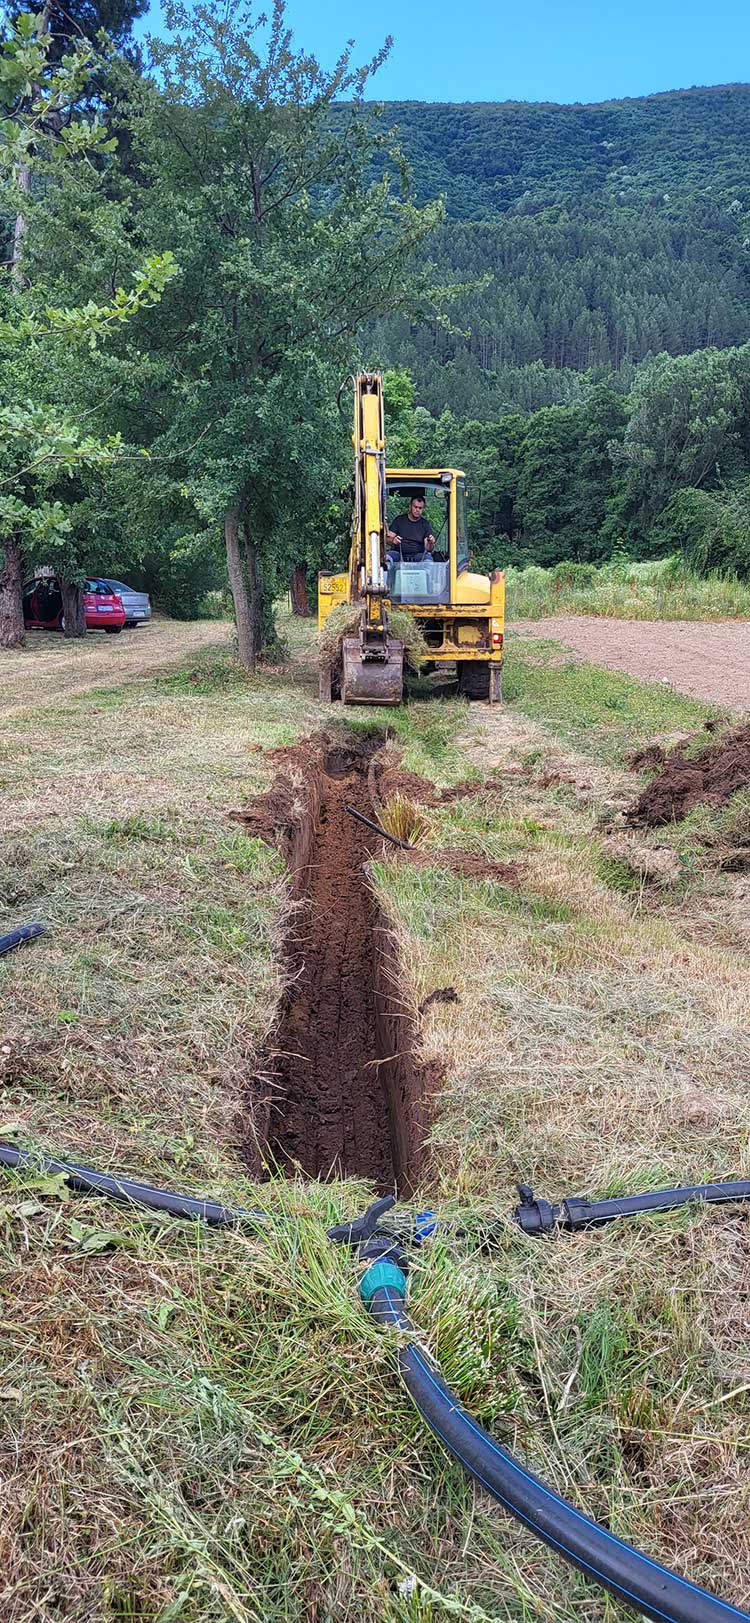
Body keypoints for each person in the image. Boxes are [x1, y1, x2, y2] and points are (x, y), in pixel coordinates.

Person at [387, 491, 436, 563]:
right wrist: (393, 540)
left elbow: (428, 548)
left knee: (428, 560)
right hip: (399, 554)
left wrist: (431, 543)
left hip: (418, 556)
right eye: (415, 507)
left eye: (420, 508)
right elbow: (388, 539)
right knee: (387, 558)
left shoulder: (425, 524)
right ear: (410, 506)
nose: (417, 510)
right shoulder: (399, 520)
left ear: (423, 509)